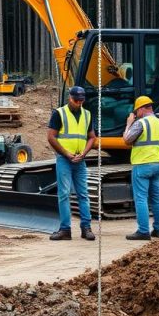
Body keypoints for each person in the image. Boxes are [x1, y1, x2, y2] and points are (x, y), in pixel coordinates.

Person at [47, 86, 98, 241]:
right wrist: (67, 154)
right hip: (64, 159)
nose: (78, 103)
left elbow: (92, 137)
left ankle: (86, 228)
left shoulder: (87, 114)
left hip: (79, 160)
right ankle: (65, 229)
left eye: (81, 101)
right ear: (70, 98)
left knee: (83, 194)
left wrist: (83, 153)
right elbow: (51, 137)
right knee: (64, 194)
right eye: (76, 100)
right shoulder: (59, 113)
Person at [123, 95, 159, 240]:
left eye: (136, 111)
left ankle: (143, 231)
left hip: (142, 165)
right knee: (156, 198)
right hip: (158, 165)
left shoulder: (140, 123)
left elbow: (127, 140)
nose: (135, 114)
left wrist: (129, 123)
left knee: (141, 198)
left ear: (141, 109)